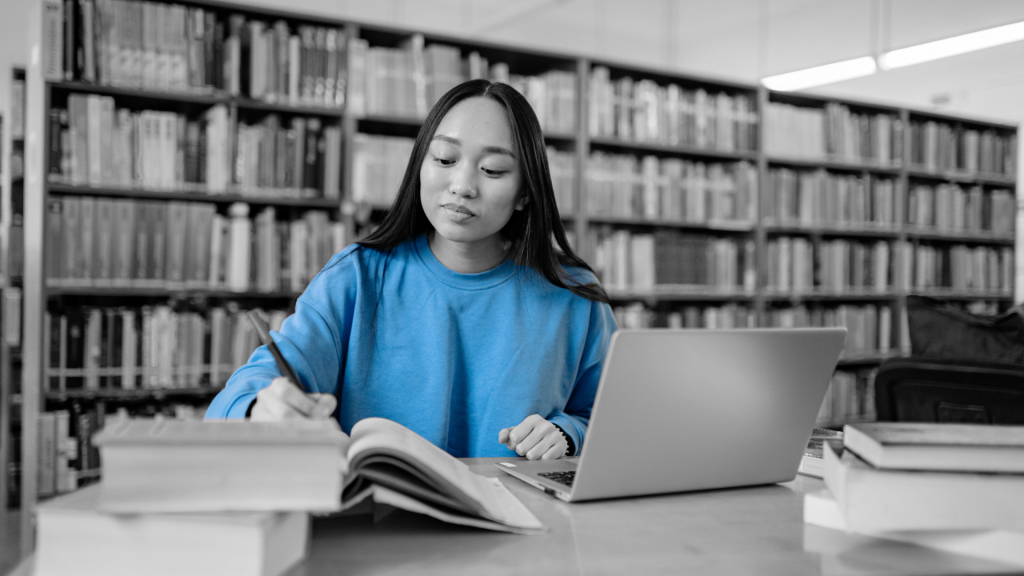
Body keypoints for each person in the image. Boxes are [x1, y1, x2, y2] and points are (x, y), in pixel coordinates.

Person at [205, 79, 617, 460]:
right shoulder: (358, 277)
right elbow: (243, 393)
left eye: (492, 169)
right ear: (421, 164)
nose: (462, 185)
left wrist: (568, 434)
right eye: (444, 158)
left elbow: (615, 419)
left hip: (529, 528)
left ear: (526, 192)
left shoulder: (573, 294)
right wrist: (261, 407)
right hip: (377, 526)